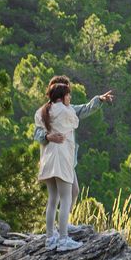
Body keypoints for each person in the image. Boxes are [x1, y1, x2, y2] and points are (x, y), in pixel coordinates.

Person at [34, 75, 115, 251]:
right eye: (68, 94)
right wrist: (49, 136)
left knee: (55, 198)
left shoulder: (43, 111)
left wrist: (98, 99)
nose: (70, 98)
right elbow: (77, 114)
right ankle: (63, 237)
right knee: (66, 197)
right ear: (61, 96)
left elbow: (81, 109)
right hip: (62, 158)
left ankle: (51, 237)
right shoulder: (65, 111)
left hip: (48, 159)